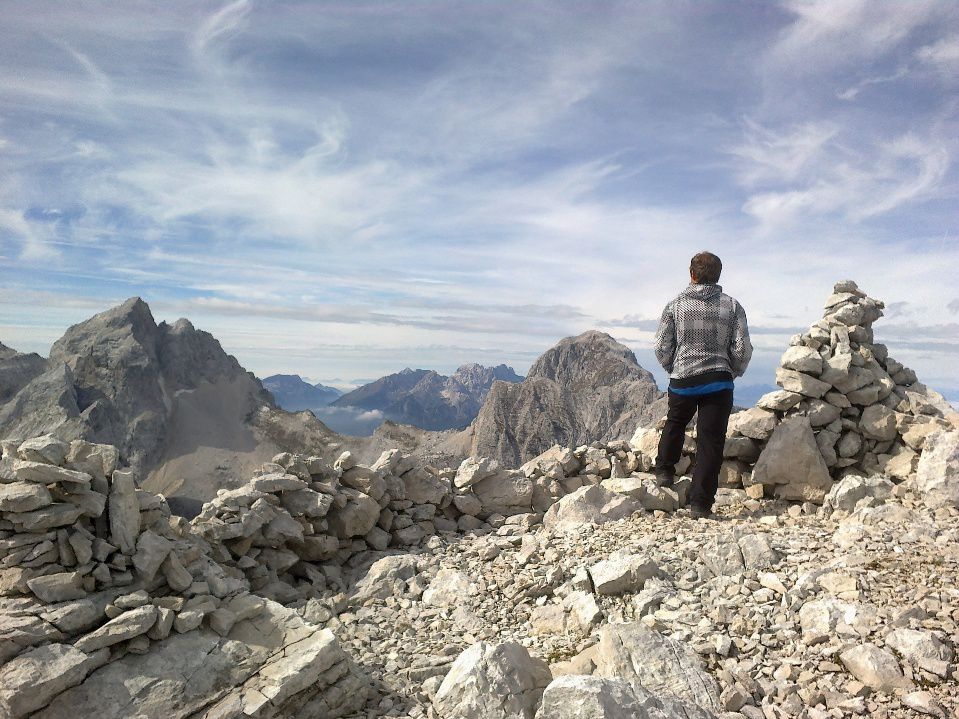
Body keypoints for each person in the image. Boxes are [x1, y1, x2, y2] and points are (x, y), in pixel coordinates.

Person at [652, 251, 752, 519]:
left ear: (692, 274)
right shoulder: (732, 306)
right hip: (718, 382)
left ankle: (664, 471)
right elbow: (742, 349)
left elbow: (662, 346)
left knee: (675, 421)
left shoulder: (675, 306)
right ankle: (700, 504)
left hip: (683, 379)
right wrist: (731, 371)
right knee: (711, 441)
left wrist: (673, 367)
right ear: (718, 275)